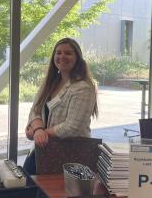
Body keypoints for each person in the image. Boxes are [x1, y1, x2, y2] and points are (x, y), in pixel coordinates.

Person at [24, 38, 98, 174]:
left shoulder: (83, 88)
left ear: (77, 58)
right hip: (44, 150)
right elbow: (35, 110)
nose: (62, 56)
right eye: (58, 53)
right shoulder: (50, 83)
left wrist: (41, 133)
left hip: (70, 155)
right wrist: (37, 129)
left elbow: (72, 127)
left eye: (68, 53)